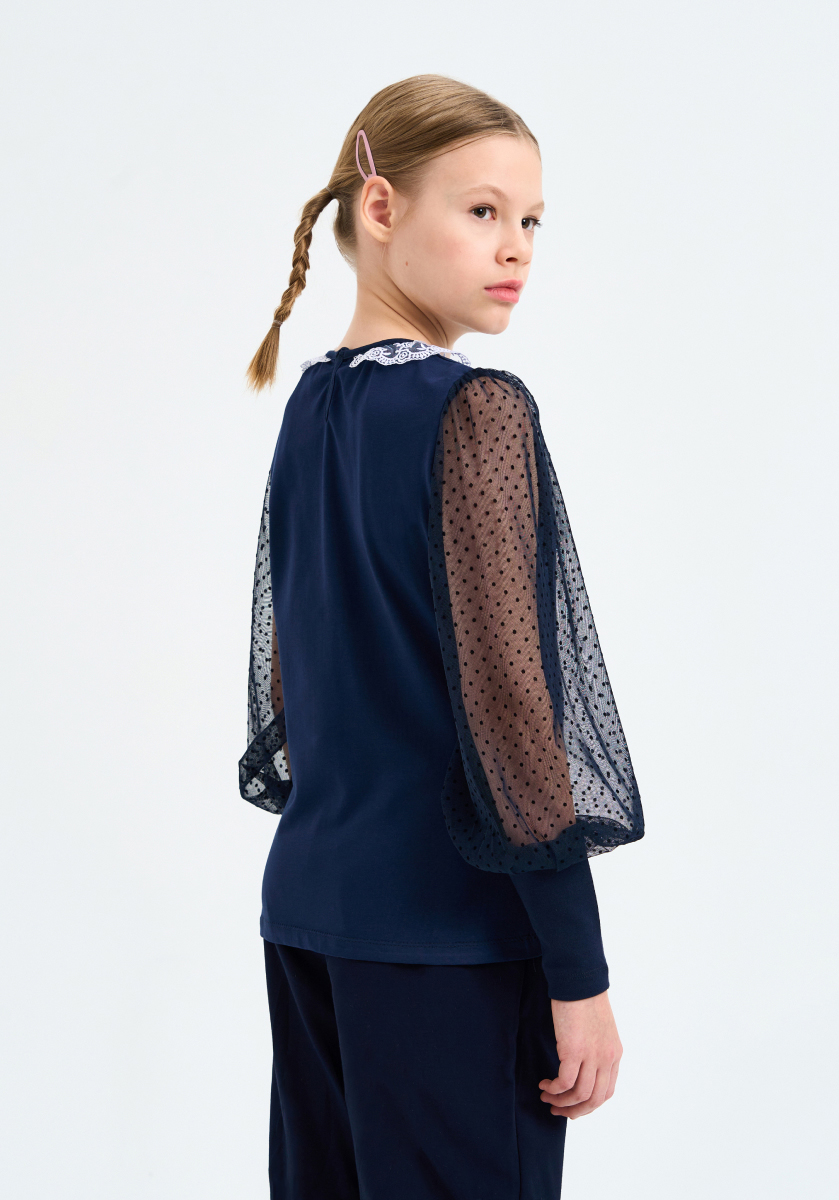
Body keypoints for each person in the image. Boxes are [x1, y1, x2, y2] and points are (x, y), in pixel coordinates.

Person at [239, 74, 644, 1200]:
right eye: (481, 211)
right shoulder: (476, 410)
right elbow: (514, 707)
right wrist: (579, 970)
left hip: (311, 915)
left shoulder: (312, 411)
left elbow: (291, 676)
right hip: (447, 940)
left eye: (532, 221)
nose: (516, 247)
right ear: (380, 208)